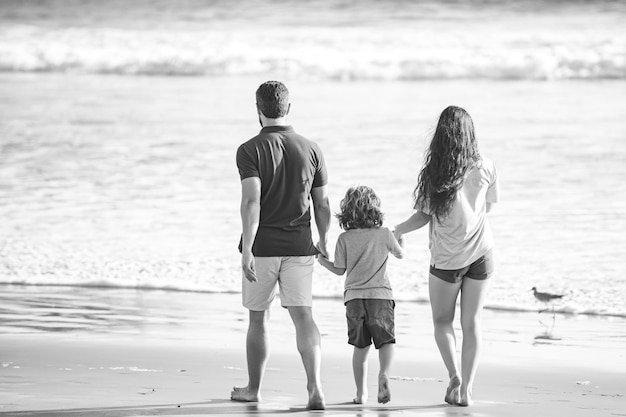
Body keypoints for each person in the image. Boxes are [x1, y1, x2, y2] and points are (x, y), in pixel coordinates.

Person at [232, 81, 331, 410]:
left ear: (258, 110)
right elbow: (324, 205)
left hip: (262, 249)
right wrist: (324, 240)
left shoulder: (249, 150)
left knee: (258, 319)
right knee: (304, 317)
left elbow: (251, 203)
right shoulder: (311, 148)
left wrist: (246, 248)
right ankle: (315, 387)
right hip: (300, 247)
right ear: (289, 108)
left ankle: (253, 389)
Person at [394, 106, 499, 407]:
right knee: (472, 323)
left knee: (442, 322)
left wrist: (397, 229)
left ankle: (454, 375)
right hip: (481, 253)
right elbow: (489, 207)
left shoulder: (434, 174)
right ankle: (466, 391)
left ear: (440, 136)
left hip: (447, 260)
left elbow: (422, 217)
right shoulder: (487, 167)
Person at [317, 185, 404, 405]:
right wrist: (400, 241)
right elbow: (400, 254)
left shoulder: (344, 239)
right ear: (375, 211)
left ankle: (360, 393)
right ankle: (384, 374)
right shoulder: (384, 234)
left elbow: (339, 270)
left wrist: (320, 259)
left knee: (360, 347)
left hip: (354, 300)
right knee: (386, 342)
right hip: (380, 297)